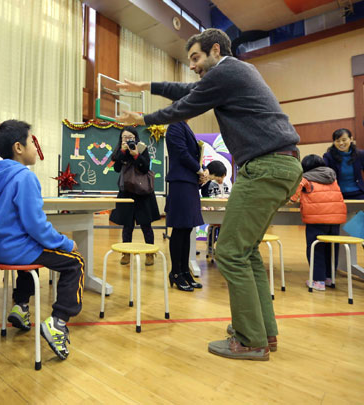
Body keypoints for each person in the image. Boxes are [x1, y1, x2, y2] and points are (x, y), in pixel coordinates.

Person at [117, 28, 302, 361]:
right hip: (280, 166)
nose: (192, 66)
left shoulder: (229, 70)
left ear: (216, 50)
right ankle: (264, 332)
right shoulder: (236, 72)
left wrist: (143, 118)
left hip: (265, 167)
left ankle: (250, 340)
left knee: (229, 252)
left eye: (196, 57)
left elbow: (186, 104)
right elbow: (187, 90)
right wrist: (146, 86)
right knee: (246, 253)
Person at [0, 119, 85, 361]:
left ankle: (21, 306)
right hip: (16, 250)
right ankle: (58, 322)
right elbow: (36, 226)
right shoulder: (24, 177)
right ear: (18, 147)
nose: (35, 147)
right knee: (75, 262)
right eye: (31, 142)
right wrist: (65, 242)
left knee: (33, 254)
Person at [290, 155, 346, 291]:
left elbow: (293, 195)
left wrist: (292, 199)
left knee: (316, 249)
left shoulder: (306, 178)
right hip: (336, 220)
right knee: (331, 249)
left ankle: (318, 281)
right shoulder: (332, 177)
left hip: (316, 220)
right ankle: (329, 277)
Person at [109, 126, 161, 266]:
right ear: (121, 139)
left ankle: (150, 253)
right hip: (127, 192)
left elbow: (145, 168)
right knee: (127, 225)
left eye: (130, 137)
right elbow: (116, 168)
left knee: (146, 225)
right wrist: (122, 152)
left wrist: (136, 155)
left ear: (136, 138)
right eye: (124, 137)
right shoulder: (119, 151)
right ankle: (126, 253)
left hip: (143, 192)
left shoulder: (142, 149)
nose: (127, 139)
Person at [164, 121, 204, 291]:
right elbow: (181, 153)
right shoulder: (175, 126)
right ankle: (175, 272)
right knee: (180, 228)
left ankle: (184, 270)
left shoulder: (184, 125)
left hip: (189, 182)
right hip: (180, 182)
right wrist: (199, 170)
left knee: (187, 229)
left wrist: (201, 171)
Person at [323, 128, 364, 200]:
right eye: (337, 141)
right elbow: (323, 174)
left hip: (359, 192)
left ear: (351, 139)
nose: (341, 143)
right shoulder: (328, 156)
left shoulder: (360, 154)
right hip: (338, 194)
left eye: (344, 140)